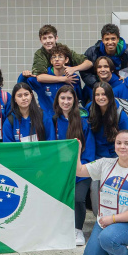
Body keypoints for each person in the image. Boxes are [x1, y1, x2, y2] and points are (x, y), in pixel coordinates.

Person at [51, 85, 92, 246]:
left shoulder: (83, 122)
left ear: (75, 100)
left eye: (69, 98)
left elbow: (89, 149)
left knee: (78, 198)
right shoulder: (52, 120)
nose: (66, 102)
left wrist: (82, 168)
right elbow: (49, 147)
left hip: (80, 171)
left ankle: (77, 229)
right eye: (62, 98)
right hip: (60, 171)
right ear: (57, 100)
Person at [22, 24, 91, 85]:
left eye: (50, 37)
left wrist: (74, 69)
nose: (48, 41)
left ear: (56, 38)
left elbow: (89, 63)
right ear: (41, 40)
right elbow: (39, 77)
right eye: (44, 38)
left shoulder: (64, 50)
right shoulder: (39, 54)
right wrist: (63, 79)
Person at [25, 44, 80, 115]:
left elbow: (79, 97)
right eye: (54, 57)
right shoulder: (43, 77)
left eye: (60, 57)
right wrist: (23, 76)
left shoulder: (74, 78)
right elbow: (22, 86)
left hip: (67, 119)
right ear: (51, 61)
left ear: (66, 60)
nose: (57, 59)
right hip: (46, 120)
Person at [81, 23, 128, 89]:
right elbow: (84, 71)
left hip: (119, 84)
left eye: (113, 39)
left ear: (118, 39)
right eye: (107, 39)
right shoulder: (93, 52)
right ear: (102, 40)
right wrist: (95, 84)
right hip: (96, 85)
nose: (110, 42)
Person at [87, 82, 128, 158]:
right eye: (97, 95)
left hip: (113, 156)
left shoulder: (120, 115)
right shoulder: (90, 108)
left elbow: (126, 138)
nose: (100, 97)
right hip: (93, 154)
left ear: (110, 95)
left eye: (104, 94)